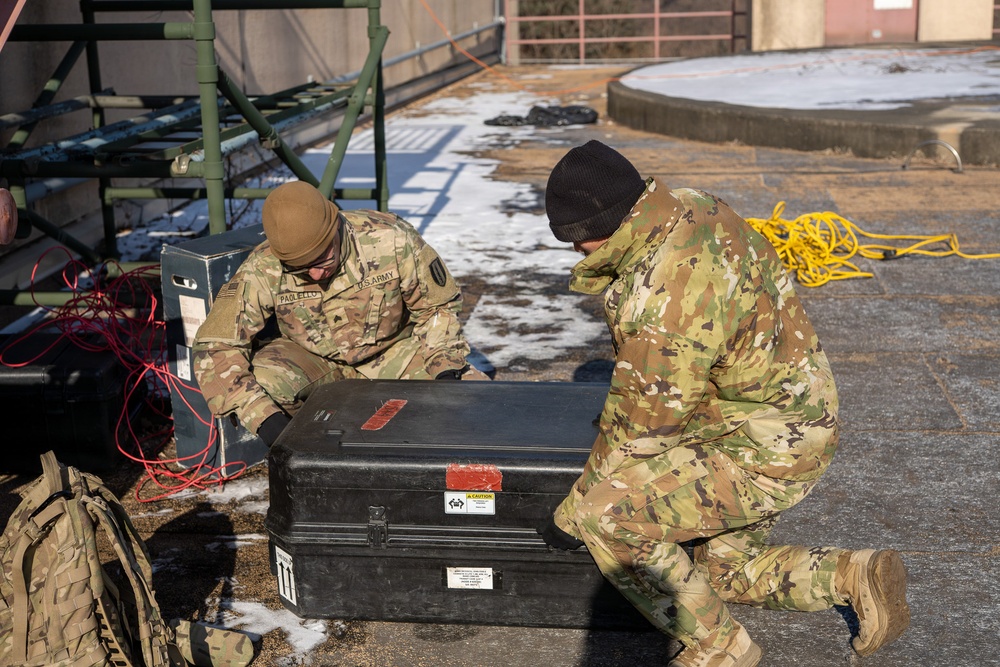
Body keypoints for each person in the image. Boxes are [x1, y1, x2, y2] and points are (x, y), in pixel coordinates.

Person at [536, 141, 910, 667]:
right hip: (795, 415)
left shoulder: (662, 298)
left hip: (756, 450)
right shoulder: (690, 206)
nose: (577, 254)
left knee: (610, 517)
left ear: (602, 226)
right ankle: (848, 573)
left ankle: (720, 649)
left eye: (578, 242)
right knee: (716, 576)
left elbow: (642, 428)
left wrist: (573, 508)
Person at [192, 180, 484, 447]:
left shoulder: (390, 239)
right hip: (318, 361)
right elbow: (215, 345)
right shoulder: (263, 266)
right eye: (303, 269)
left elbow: (437, 307)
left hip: (397, 353)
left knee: (477, 404)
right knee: (264, 381)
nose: (317, 273)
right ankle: (322, 454)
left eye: (324, 258)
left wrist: (445, 370)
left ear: (335, 226)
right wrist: (269, 422)